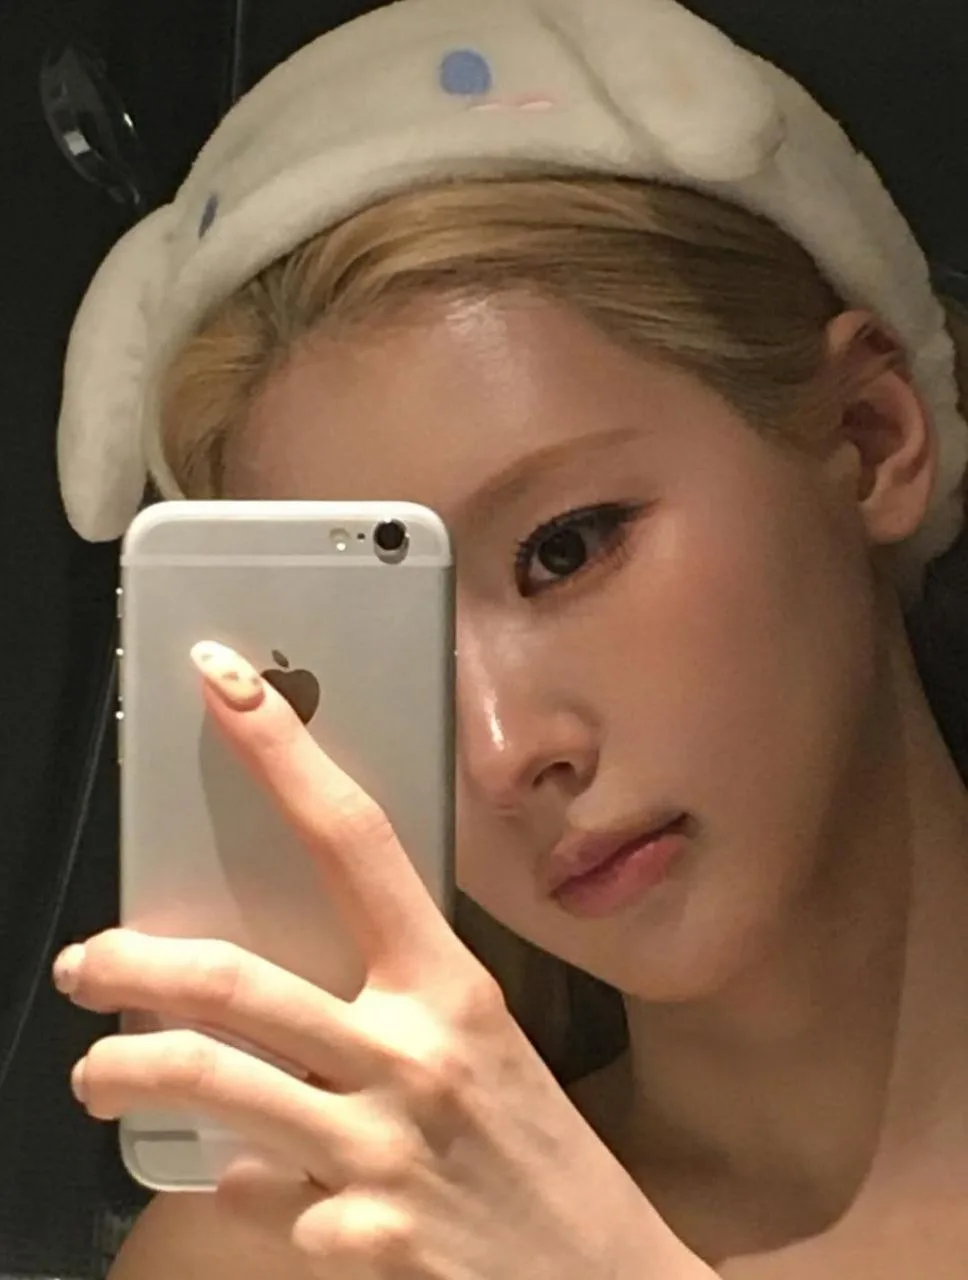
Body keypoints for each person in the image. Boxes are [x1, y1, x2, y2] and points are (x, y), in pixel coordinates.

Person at [52, 0, 968, 1275]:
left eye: (567, 547)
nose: (496, 750)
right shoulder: (293, 1253)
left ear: (869, 437)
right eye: (385, 647)